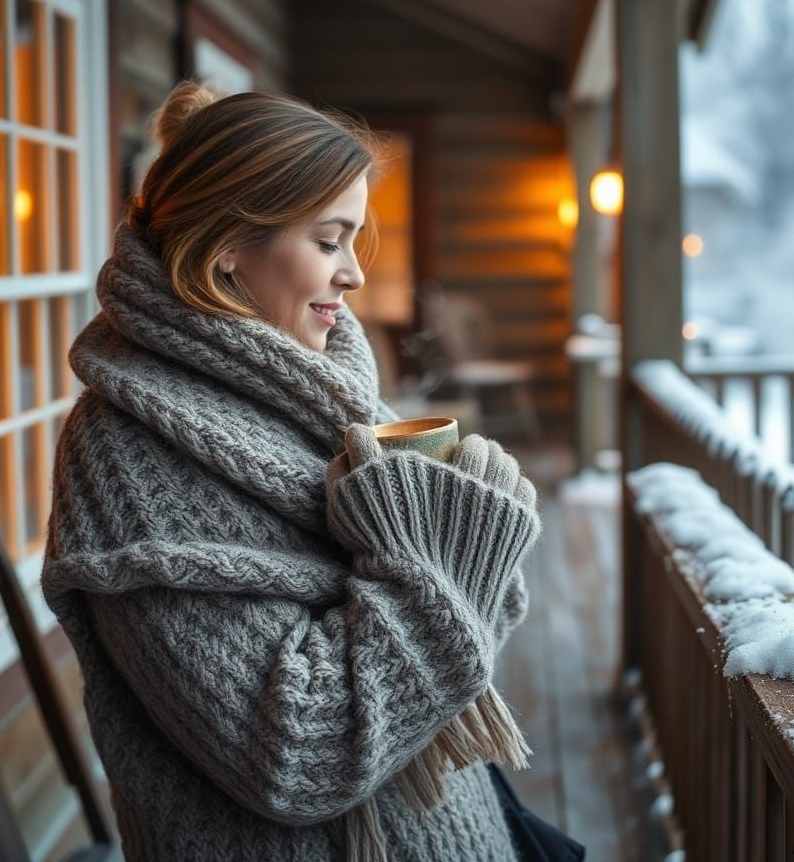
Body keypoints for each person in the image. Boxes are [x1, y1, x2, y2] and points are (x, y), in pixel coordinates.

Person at [41, 81, 544, 861]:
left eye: (354, 240)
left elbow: (473, 626)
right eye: (328, 239)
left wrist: (463, 531)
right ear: (227, 245)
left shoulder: (324, 394)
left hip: (456, 823)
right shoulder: (127, 457)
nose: (354, 275)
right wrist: (441, 562)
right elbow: (296, 754)